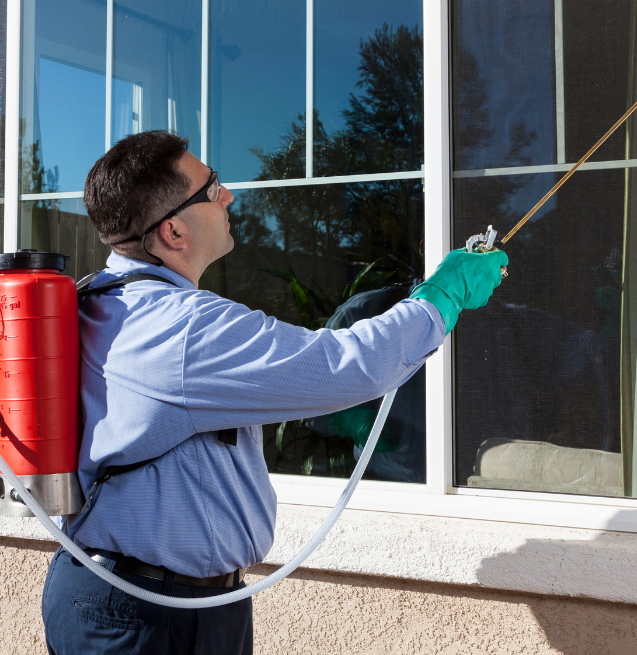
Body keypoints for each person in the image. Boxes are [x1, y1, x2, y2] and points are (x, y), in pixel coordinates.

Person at [41, 131, 507, 654]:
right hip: (150, 616)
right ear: (173, 230)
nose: (228, 197)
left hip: (127, 597)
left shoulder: (99, 298)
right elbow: (341, 366)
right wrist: (441, 298)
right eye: (212, 188)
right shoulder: (183, 331)